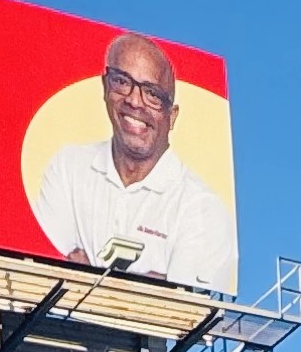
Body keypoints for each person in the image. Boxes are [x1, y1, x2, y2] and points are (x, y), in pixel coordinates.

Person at [33, 35, 239, 293]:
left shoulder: (202, 207)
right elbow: (41, 273)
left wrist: (85, 274)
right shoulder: (68, 166)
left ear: (171, 116)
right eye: (122, 81)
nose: (134, 100)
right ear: (105, 87)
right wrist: (145, 285)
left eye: (152, 94)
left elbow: (182, 310)